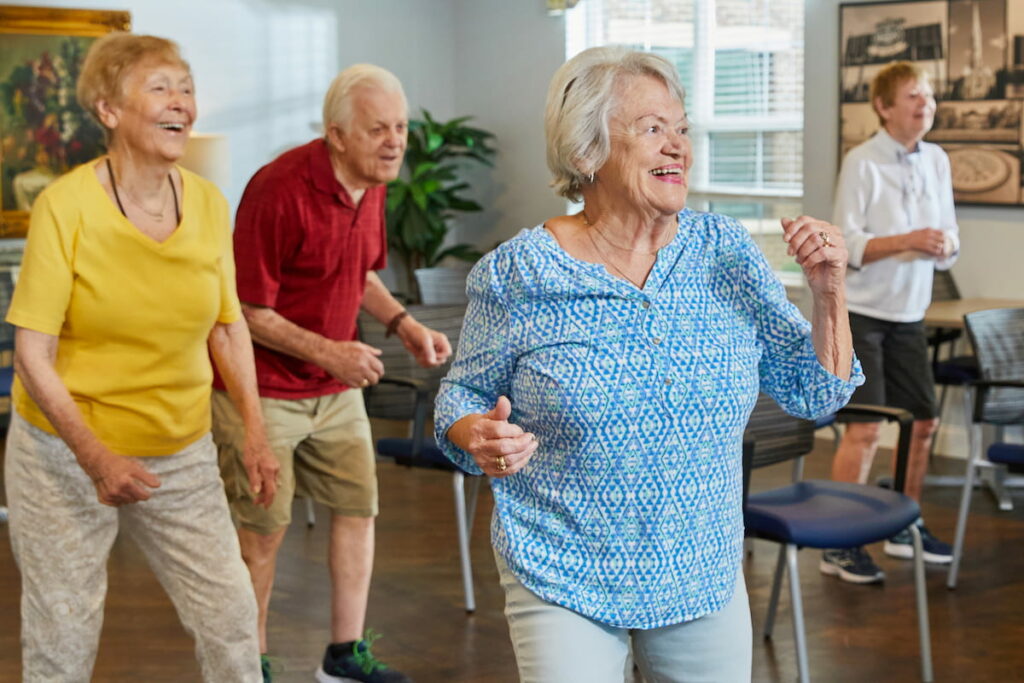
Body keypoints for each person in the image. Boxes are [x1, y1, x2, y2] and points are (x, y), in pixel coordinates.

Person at [433, 46, 863, 683]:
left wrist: (829, 290)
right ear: (585, 153)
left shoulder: (723, 252)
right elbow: (459, 394)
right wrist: (475, 433)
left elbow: (815, 393)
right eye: (652, 128)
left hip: (701, 570)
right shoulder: (520, 273)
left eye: (682, 129)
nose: (678, 148)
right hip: (564, 564)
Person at [4, 33, 277, 682]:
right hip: (62, 455)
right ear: (108, 111)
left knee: (232, 618)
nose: (181, 101)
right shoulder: (64, 207)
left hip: (180, 449)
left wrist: (256, 434)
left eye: (186, 88)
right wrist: (94, 455)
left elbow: (228, 327)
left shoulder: (209, 203)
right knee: (62, 635)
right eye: (161, 88)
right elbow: (32, 353)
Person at [211, 64, 450, 683]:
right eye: (378, 130)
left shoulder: (374, 184)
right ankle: (250, 663)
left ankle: (344, 658)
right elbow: (245, 310)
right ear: (337, 135)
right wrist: (331, 352)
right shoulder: (278, 189)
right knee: (263, 534)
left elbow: (362, 274)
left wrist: (404, 325)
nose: (395, 141)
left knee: (356, 510)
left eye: (399, 127)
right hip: (264, 392)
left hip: (334, 389)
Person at [822, 61, 960, 585]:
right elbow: (847, 245)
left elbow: (948, 239)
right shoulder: (862, 161)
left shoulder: (939, 160)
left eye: (927, 98)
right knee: (863, 431)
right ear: (883, 107)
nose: (924, 106)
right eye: (912, 98)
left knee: (922, 426)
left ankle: (904, 525)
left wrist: (945, 243)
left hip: (911, 316)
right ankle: (840, 543)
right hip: (864, 317)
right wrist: (908, 240)